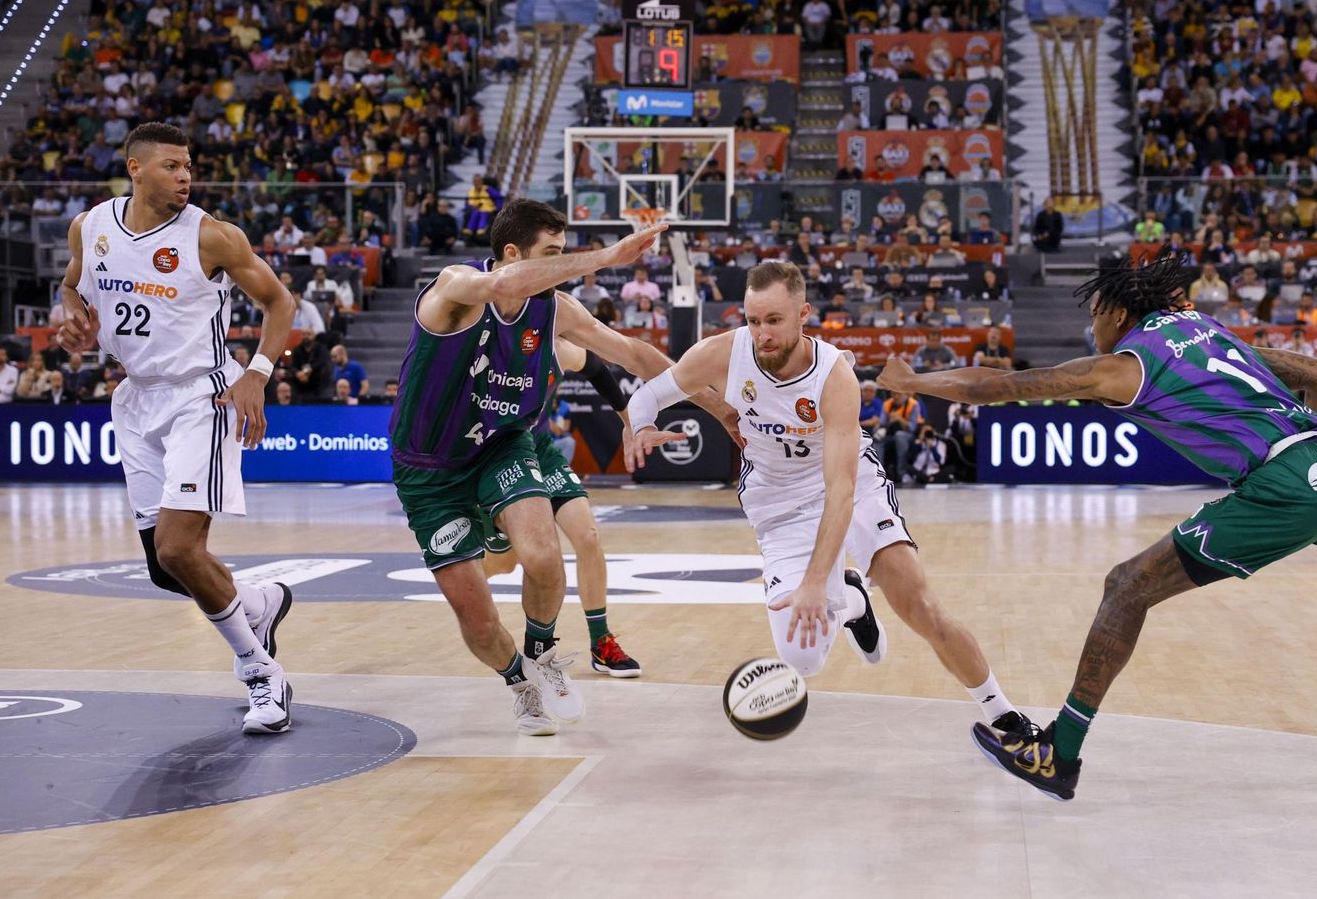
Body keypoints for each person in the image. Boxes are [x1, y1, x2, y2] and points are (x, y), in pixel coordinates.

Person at [882, 255, 1317, 811]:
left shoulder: (1122, 364)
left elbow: (1000, 386)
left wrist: (914, 382)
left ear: (1120, 312)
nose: (1091, 328)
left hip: (1288, 484)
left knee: (1125, 588)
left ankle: (1058, 755)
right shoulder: (1206, 331)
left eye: (1095, 314)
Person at [623, 260, 1037, 738]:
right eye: (753, 321)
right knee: (803, 657)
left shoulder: (833, 375)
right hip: (777, 497)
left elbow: (840, 492)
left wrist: (818, 582)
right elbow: (647, 396)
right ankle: (853, 601)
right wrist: (643, 424)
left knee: (917, 603)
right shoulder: (722, 353)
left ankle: (1003, 714)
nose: (762, 334)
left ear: (804, 315)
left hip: (849, 484)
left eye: (774, 320)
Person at [388, 200, 732, 736]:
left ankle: (542, 654)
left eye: (564, 253)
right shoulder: (454, 288)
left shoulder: (555, 311)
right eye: (551, 254)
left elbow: (636, 356)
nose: (562, 265)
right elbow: (499, 285)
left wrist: (722, 411)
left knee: (545, 556)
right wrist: (607, 256)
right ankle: (518, 682)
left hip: (501, 445)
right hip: (428, 469)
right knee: (477, 619)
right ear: (511, 254)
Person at [56, 123, 299, 735]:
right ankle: (260, 603)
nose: (185, 176)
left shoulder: (212, 236)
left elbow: (280, 302)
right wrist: (74, 320)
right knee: (165, 569)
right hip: (136, 397)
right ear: (135, 169)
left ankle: (262, 672)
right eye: (171, 166)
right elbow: (71, 284)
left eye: (188, 165)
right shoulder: (90, 226)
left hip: (202, 395)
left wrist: (258, 374)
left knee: (177, 548)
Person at [481, 337, 644, 678]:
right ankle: (462, 573)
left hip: (540, 449)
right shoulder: (487, 348)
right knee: (507, 563)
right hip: (500, 457)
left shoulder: (557, 349)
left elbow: (597, 369)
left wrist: (629, 421)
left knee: (588, 536)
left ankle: (600, 643)